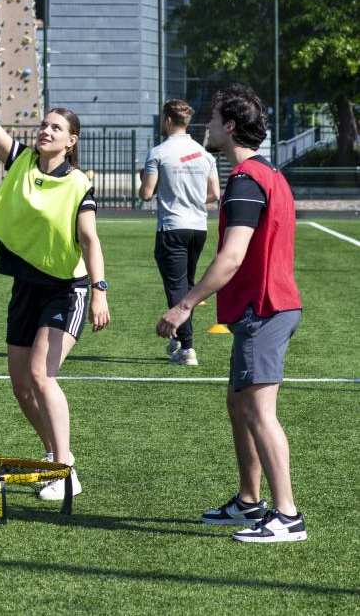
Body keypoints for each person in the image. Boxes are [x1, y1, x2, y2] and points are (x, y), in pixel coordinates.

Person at [156, 84, 305, 543]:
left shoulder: (245, 180)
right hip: (262, 308)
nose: (207, 124)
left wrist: (185, 305)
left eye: (214, 117)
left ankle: (287, 516)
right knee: (239, 404)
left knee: (260, 412)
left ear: (231, 126)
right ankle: (248, 501)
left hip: (265, 307)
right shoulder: (266, 174)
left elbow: (232, 257)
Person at [0, 26, 111, 502]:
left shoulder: (79, 185)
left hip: (65, 290)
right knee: (19, 385)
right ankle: (52, 454)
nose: (45, 130)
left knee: (40, 375)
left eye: (56, 127)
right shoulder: (22, 161)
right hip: (26, 286)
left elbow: (89, 240)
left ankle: (66, 466)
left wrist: (100, 291)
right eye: (44, 124)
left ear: (71, 142)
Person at [140, 99, 220, 366]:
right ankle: (177, 340)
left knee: (177, 287)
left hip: (172, 226)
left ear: (167, 120)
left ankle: (187, 348)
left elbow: (146, 193)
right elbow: (214, 194)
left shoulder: (158, 152)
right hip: (198, 227)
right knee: (185, 285)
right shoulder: (204, 154)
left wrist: (146, 179)